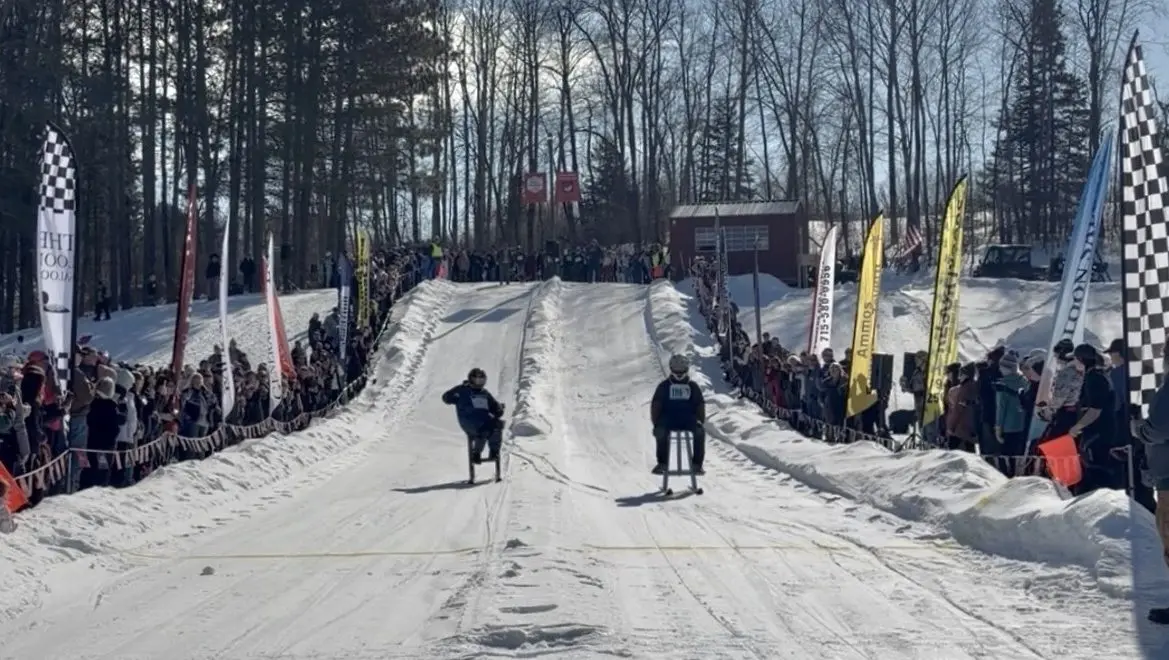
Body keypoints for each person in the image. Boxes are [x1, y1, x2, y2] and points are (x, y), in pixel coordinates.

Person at [650, 354, 706, 475]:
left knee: (700, 431)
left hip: (688, 419)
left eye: (681, 370)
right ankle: (662, 463)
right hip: (668, 419)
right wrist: (656, 423)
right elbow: (656, 404)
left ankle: (697, 464)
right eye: (676, 370)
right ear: (671, 368)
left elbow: (699, 404)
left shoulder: (692, 386)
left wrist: (700, 420)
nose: (679, 373)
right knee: (660, 431)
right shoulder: (664, 386)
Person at [441, 368, 505, 464]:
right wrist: (458, 390)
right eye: (477, 380)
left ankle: (494, 452)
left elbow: (496, 409)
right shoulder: (463, 390)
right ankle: (476, 453)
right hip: (469, 421)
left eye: (482, 380)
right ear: (471, 379)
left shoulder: (484, 393)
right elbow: (446, 398)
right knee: (484, 430)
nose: (479, 383)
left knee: (497, 426)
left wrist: (499, 408)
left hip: (483, 421)